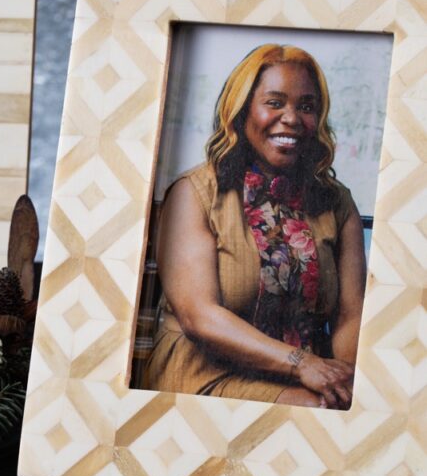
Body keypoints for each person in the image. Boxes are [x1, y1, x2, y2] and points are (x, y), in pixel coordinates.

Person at [141, 44, 366, 409]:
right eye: (274, 102)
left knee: (340, 410)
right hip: (205, 375)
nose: (291, 118)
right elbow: (199, 316)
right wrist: (303, 364)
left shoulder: (337, 203)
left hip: (307, 379)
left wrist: (347, 382)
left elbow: (350, 315)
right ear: (242, 110)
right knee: (312, 410)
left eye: (306, 106)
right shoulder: (194, 193)